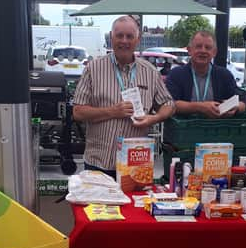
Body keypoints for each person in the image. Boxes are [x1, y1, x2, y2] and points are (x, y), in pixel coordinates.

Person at [73, 15, 175, 178]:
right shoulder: (93, 68)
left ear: (138, 39)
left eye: (129, 36)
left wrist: (153, 118)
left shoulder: (150, 71)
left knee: (134, 205)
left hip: (135, 165)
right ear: (111, 37)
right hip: (99, 163)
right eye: (119, 35)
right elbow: (78, 112)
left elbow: (168, 104)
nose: (124, 41)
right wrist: (112, 111)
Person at [165, 31, 246, 118]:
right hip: (184, 128)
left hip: (217, 128)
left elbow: (242, 102)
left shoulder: (224, 75)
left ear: (214, 52)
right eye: (198, 46)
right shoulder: (176, 74)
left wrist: (236, 108)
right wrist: (200, 107)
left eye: (208, 48)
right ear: (189, 50)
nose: (203, 51)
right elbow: (169, 104)